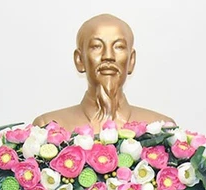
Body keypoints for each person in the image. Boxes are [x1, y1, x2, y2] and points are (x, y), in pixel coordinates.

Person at [32, 13, 174, 132]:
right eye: (96, 46)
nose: (108, 56)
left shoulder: (162, 129)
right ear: (79, 60)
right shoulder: (48, 128)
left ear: (131, 61)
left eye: (118, 47)